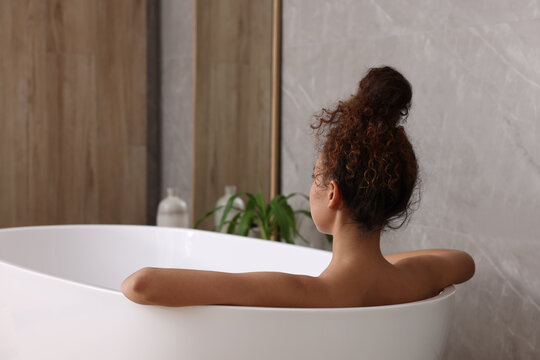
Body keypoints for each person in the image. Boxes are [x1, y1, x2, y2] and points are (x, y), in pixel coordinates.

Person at [121, 66, 475, 308]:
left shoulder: (310, 291)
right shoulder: (410, 282)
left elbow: (140, 285)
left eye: (315, 176)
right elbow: (463, 262)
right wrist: (380, 261)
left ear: (333, 194)